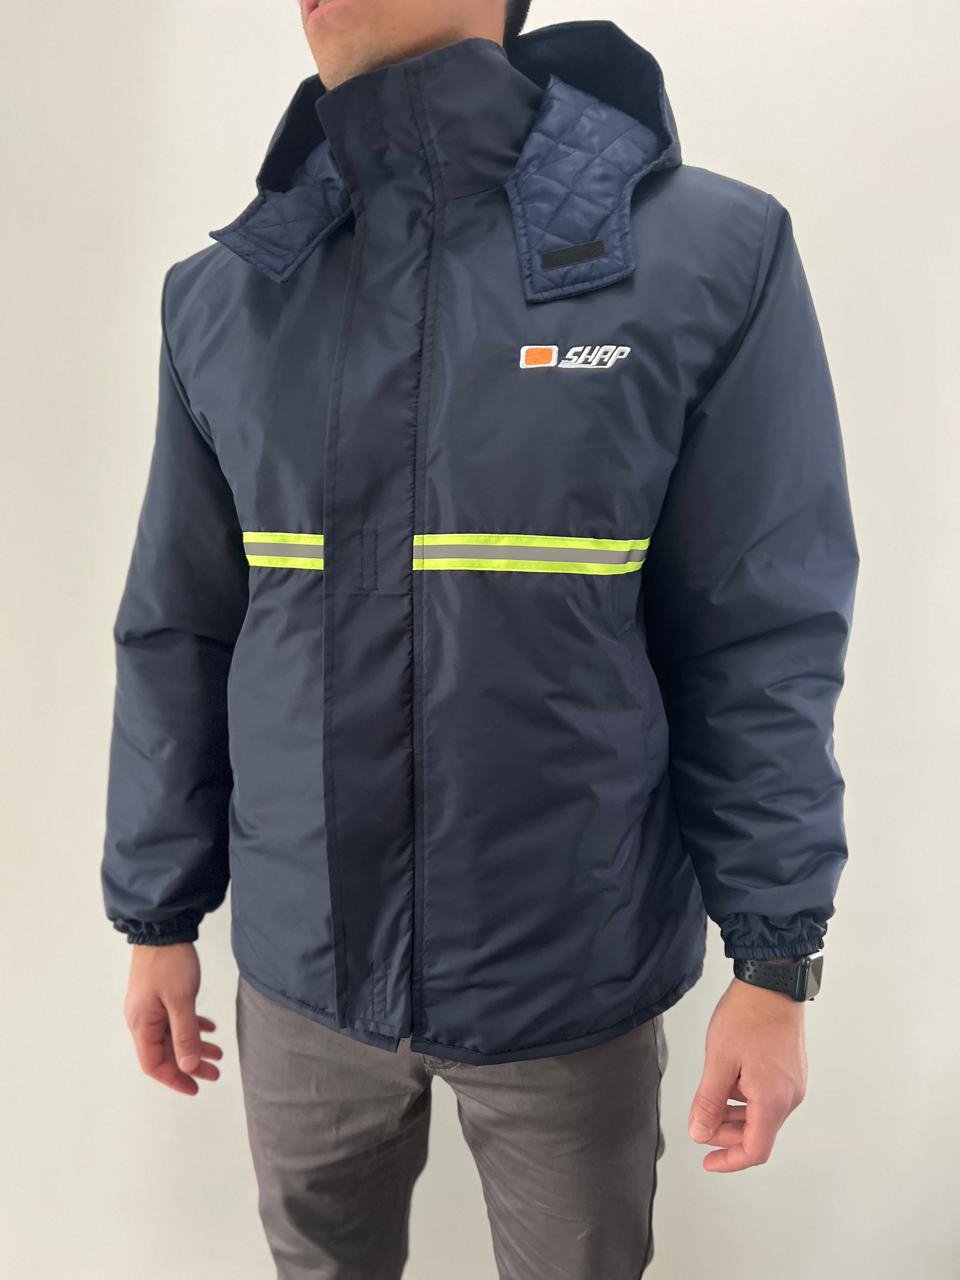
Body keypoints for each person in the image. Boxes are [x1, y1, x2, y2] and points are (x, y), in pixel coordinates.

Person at [101, 2, 859, 1276]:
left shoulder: (708, 256)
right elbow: (180, 626)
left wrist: (775, 958)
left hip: (571, 973)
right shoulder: (228, 294)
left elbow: (759, 630)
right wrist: (156, 914)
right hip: (298, 974)